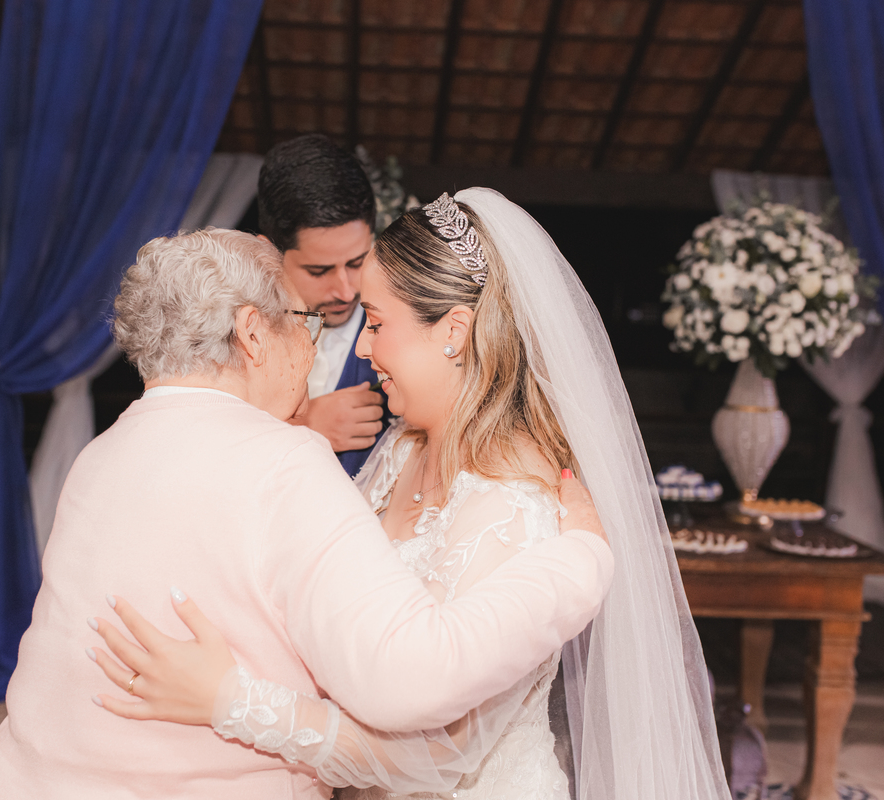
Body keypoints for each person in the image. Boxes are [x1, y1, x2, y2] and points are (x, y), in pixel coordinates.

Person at [88, 192, 731, 800]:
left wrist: (231, 699)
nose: (363, 348)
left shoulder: (519, 504)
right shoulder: (402, 447)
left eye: (376, 321)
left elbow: (446, 751)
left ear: (453, 330)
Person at [0, 227, 615, 800]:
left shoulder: (99, 457)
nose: (348, 349)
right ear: (252, 334)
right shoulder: (283, 462)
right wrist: (582, 563)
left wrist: (232, 697)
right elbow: (414, 676)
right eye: (305, 322)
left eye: (375, 324)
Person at [257, 133, 386, 474]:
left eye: (357, 262)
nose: (346, 291)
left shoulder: (403, 332)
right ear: (267, 254)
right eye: (319, 271)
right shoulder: (233, 336)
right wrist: (304, 425)